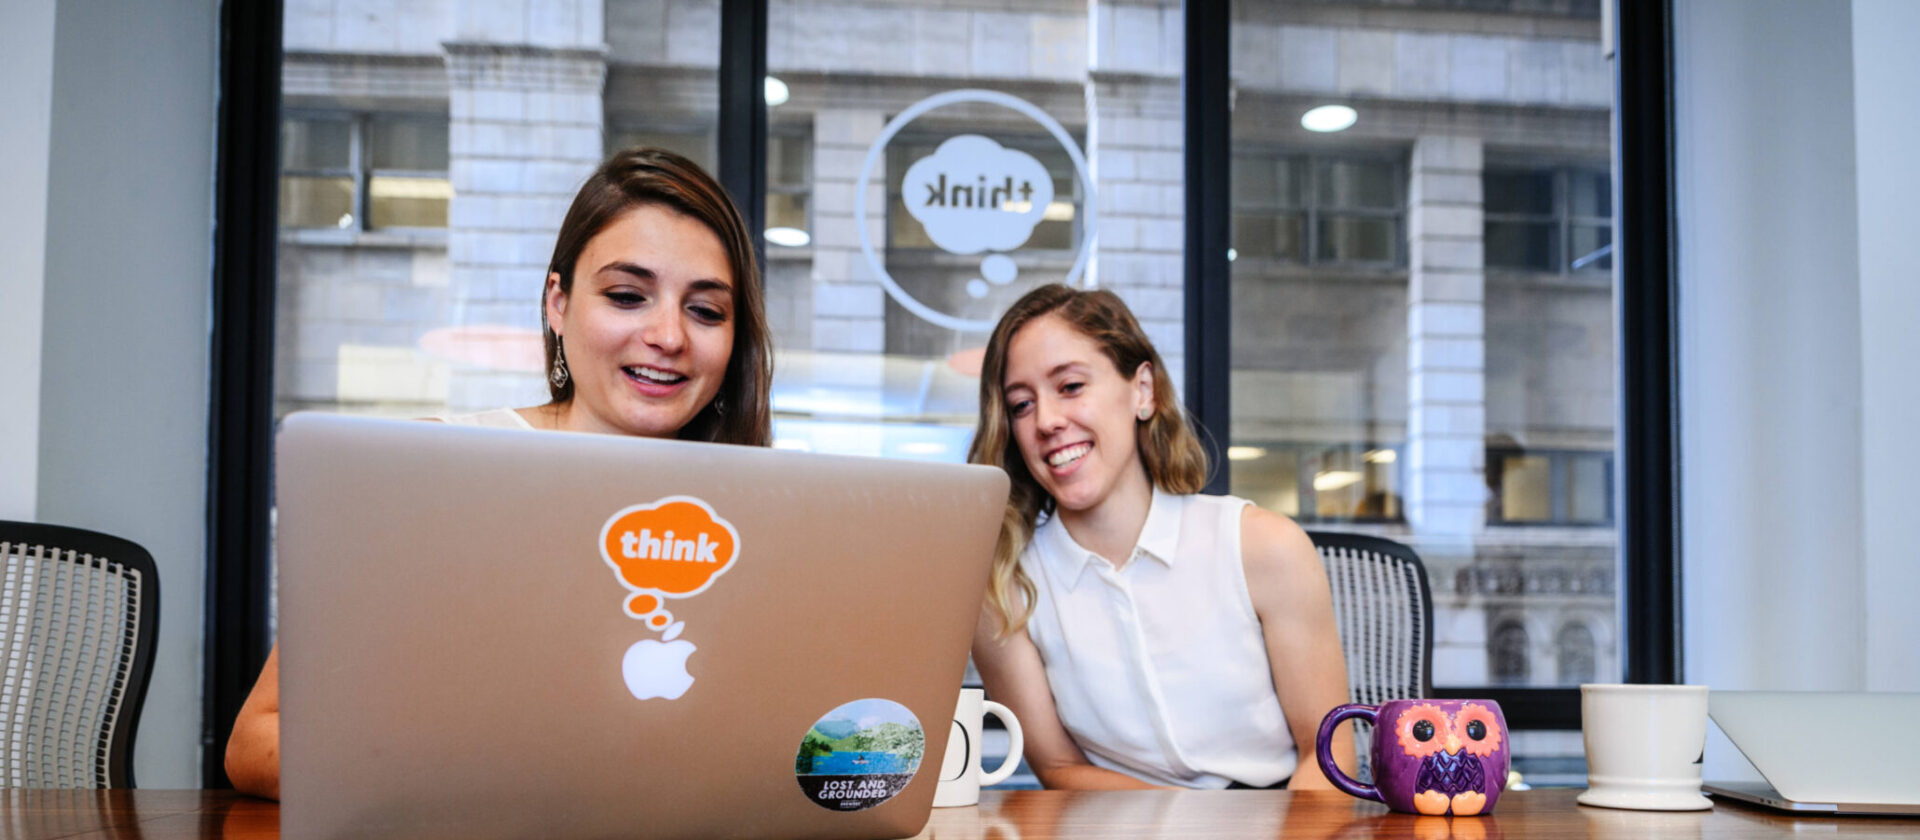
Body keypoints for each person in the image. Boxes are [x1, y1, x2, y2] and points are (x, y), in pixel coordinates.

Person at [224, 147, 774, 799]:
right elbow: (258, 742)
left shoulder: (762, 522)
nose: (668, 336)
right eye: (628, 296)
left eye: (706, 311)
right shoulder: (430, 475)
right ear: (558, 303)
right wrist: (481, 782)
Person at [967, 283, 1354, 790]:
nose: (1047, 421)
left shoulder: (1264, 547)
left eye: (1070, 387)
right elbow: (1059, 768)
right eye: (1021, 404)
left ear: (1142, 391)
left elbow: (1328, 756)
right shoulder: (1003, 589)